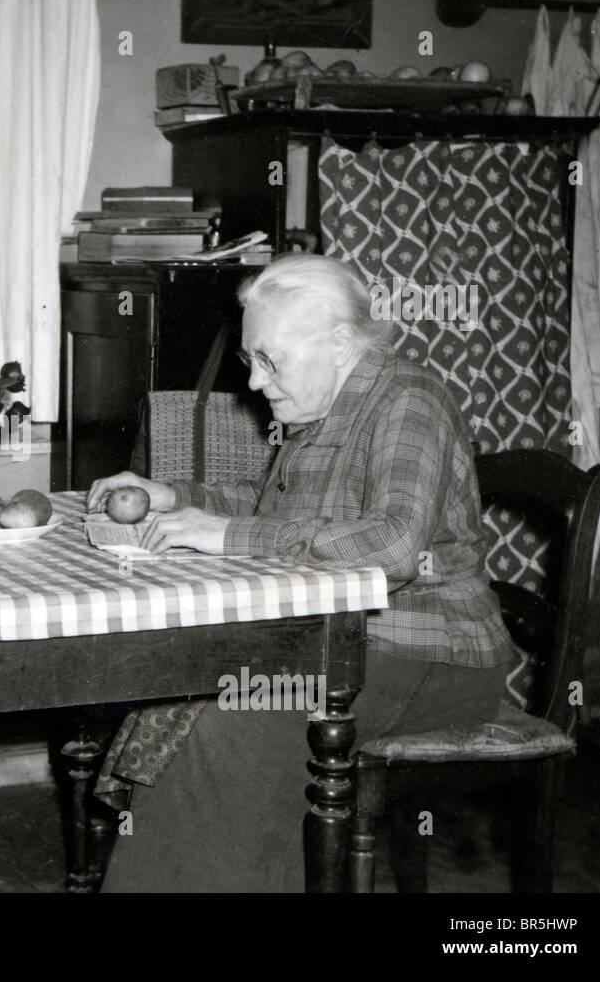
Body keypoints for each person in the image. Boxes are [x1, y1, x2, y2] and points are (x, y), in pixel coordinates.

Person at [87, 254, 514, 891]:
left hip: (429, 653)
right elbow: (272, 509)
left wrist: (227, 534)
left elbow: (392, 548)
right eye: (249, 360)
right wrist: (178, 498)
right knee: (191, 689)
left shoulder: (408, 402)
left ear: (340, 344)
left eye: (269, 360)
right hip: (338, 644)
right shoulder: (320, 407)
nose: (256, 384)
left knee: (228, 719)